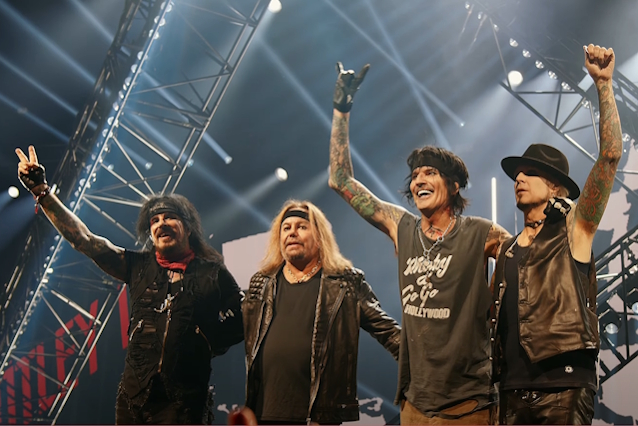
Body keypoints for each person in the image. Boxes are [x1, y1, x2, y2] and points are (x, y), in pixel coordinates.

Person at [328, 63, 511, 424]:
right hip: (415, 402)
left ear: (454, 186)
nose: (419, 180)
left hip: (468, 403)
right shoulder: (402, 227)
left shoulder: (480, 232)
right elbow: (340, 179)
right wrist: (342, 108)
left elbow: (524, 259)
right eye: (414, 176)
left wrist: (491, 299)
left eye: (430, 173)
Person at [15, 146, 244, 424]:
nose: (161, 224)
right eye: (155, 220)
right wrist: (43, 192)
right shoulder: (138, 266)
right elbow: (84, 239)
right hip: (134, 400)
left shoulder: (212, 273)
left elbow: (244, 317)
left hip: (184, 403)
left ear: (188, 227)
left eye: (169, 217)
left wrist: (208, 339)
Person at [492, 44, 622, 425]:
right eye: (517, 173)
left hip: (564, 388)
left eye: (529, 173)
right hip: (510, 390)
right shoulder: (507, 250)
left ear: (555, 187)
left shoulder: (575, 229)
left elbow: (610, 156)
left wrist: (603, 85)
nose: (519, 178)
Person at [242, 200, 401, 424]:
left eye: (301, 227)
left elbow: (390, 333)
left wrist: (429, 368)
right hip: (262, 414)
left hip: (318, 417)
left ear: (319, 237)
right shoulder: (261, 283)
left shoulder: (345, 283)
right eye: (286, 228)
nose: (292, 233)